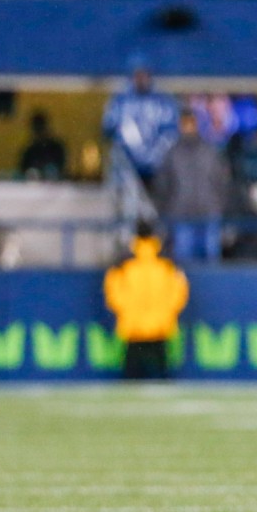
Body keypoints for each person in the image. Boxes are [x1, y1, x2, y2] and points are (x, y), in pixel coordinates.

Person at [102, 54, 180, 234]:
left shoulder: (163, 101)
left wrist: (154, 156)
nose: (141, 78)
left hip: (158, 170)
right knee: (128, 211)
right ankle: (126, 245)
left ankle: (161, 245)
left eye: (144, 74)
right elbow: (109, 129)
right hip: (128, 170)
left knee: (159, 213)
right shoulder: (120, 101)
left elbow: (171, 132)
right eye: (137, 74)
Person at [103, 220, 189, 380]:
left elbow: (112, 289)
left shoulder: (124, 260)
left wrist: (124, 308)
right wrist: (169, 309)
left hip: (133, 324)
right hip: (160, 323)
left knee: (131, 376)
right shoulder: (166, 259)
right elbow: (179, 287)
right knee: (162, 374)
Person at [153, 107, 230, 262]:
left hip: (209, 214)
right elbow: (162, 186)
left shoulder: (210, 152)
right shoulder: (172, 154)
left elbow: (222, 182)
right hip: (181, 215)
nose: (188, 127)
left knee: (211, 261)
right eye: (185, 123)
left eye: (191, 123)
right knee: (184, 262)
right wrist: (168, 210)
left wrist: (218, 206)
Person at [19, 110, 68, 180]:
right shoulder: (30, 151)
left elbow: (62, 169)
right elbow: (23, 171)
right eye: (36, 129)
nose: (39, 132)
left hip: (56, 187)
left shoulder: (57, 147)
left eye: (40, 128)